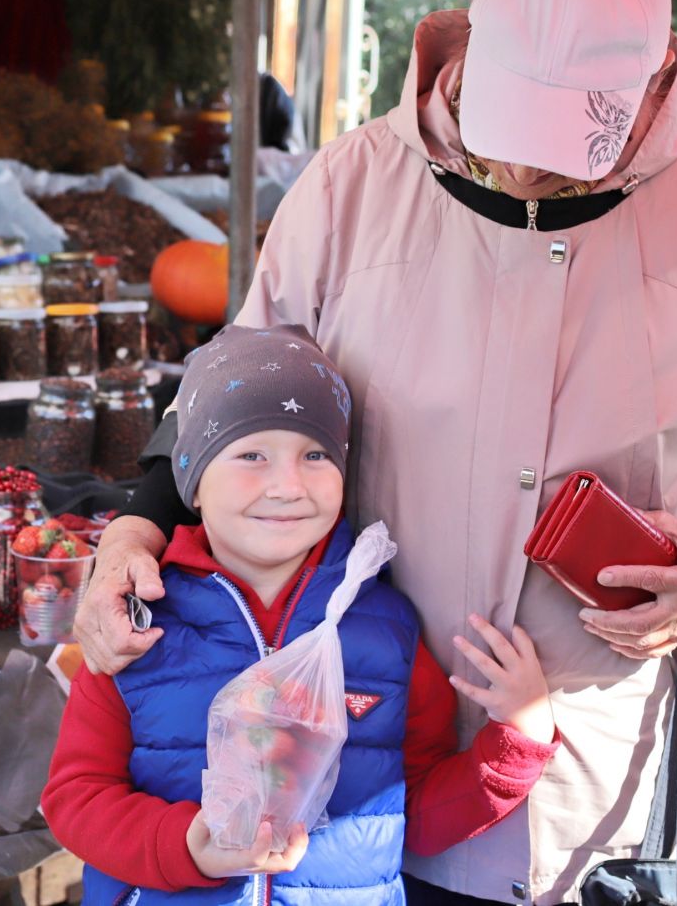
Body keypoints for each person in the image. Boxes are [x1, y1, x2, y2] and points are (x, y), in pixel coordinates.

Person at [78, 0, 677, 905]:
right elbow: (235, 392)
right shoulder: (357, 181)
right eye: (514, 130)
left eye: (567, 151)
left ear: (658, 79)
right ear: (469, 52)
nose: (527, 173)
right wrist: (134, 524)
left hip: (609, 768)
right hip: (372, 745)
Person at [42, 326, 560, 902]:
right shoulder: (137, 623)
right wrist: (186, 846)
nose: (288, 485)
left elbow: (414, 818)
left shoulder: (386, 630)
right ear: (192, 482)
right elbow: (75, 798)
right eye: (251, 455)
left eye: (315, 455)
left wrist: (516, 745)